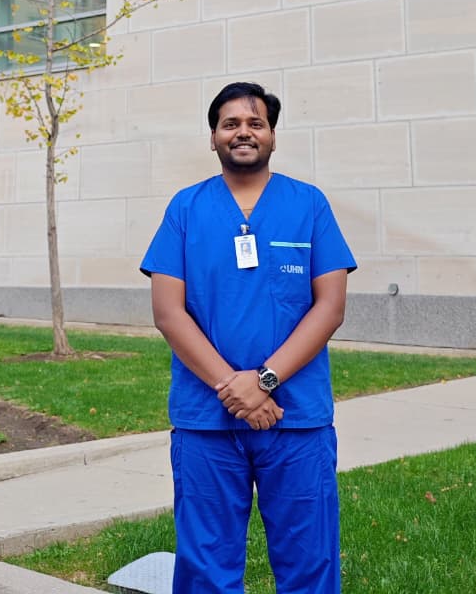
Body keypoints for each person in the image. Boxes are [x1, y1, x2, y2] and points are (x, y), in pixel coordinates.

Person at [141, 80, 356, 593]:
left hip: (296, 418)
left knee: (310, 563)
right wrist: (233, 389)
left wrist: (263, 380)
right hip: (207, 422)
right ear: (212, 137)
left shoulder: (309, 205)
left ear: (273, 136)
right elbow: (169, 314)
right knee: (205, 568)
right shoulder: (185, 209)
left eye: (255, 123)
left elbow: (330, 307)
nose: (243, 132)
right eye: (230, 123)